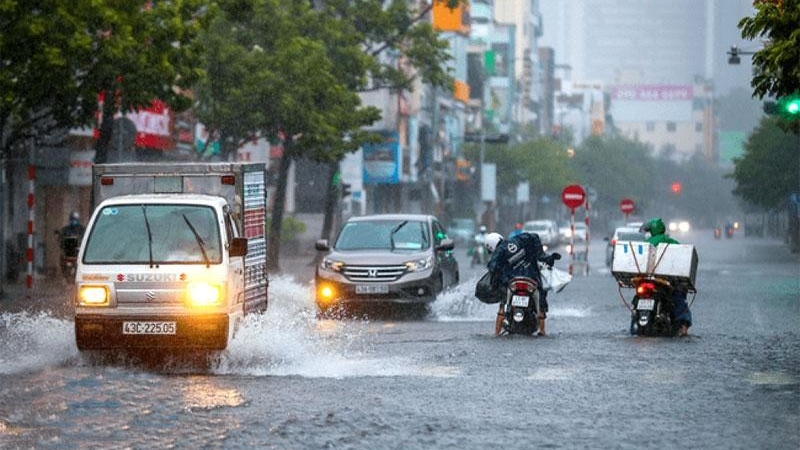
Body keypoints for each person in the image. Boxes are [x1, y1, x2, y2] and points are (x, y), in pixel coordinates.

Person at [484, 231, 561, 336]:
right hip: (532, 279)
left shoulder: (499, 251)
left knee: (502, 305)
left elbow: (493, 268)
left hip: (512, 282)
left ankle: (496, 332)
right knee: (541, 302)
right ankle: (542, 330)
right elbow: (534, 236)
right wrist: (544, 256)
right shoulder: (519, 239)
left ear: (491, 246)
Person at [640, 217, 692, 337]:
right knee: (679, 299)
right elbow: (682, 257)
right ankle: (683, 326)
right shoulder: (672, 242)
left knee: (637, 297)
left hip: (646, 278)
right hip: (665, 279)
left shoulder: (647, 243)